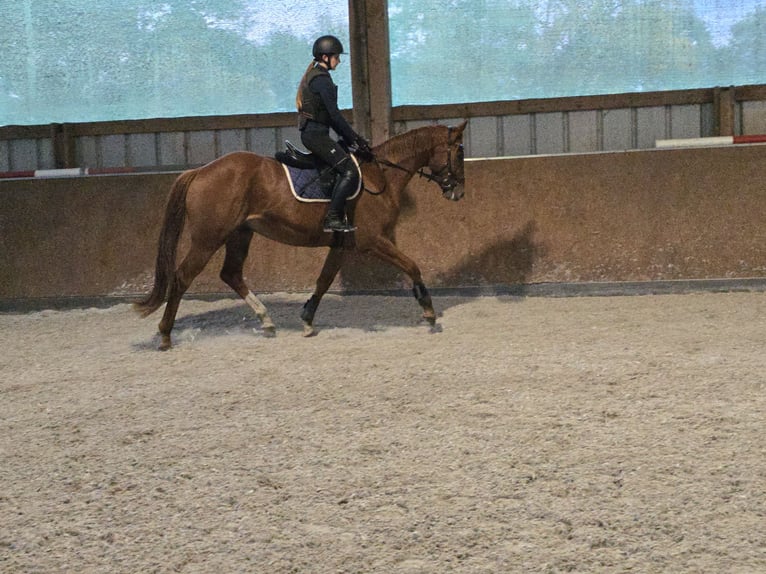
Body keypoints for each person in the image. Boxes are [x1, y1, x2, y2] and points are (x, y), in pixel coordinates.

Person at [296, 34, 373, 232]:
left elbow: (331, 118)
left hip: (316, 133)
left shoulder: (316, 76)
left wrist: (349, 139)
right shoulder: (321, 80)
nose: (338, 60)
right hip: (316, 135)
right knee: (350, 171)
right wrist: (356, 139)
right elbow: (334, 116)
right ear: (325, 57)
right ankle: (332, 218)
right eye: (336, 56)